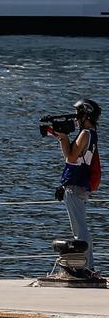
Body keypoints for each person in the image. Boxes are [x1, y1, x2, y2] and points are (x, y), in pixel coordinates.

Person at [49, 99, 101, 272]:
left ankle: (87, 267)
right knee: (79, 227)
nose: (76, 118)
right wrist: (63, 138)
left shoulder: (85, 133)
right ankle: (87, 265)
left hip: (75, 186)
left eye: (79, 114)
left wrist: (65, 138)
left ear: (86, 114)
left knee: (80, 230)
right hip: (76, 185)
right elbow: (70, 157)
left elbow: (71, 159)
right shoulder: (90, 133)